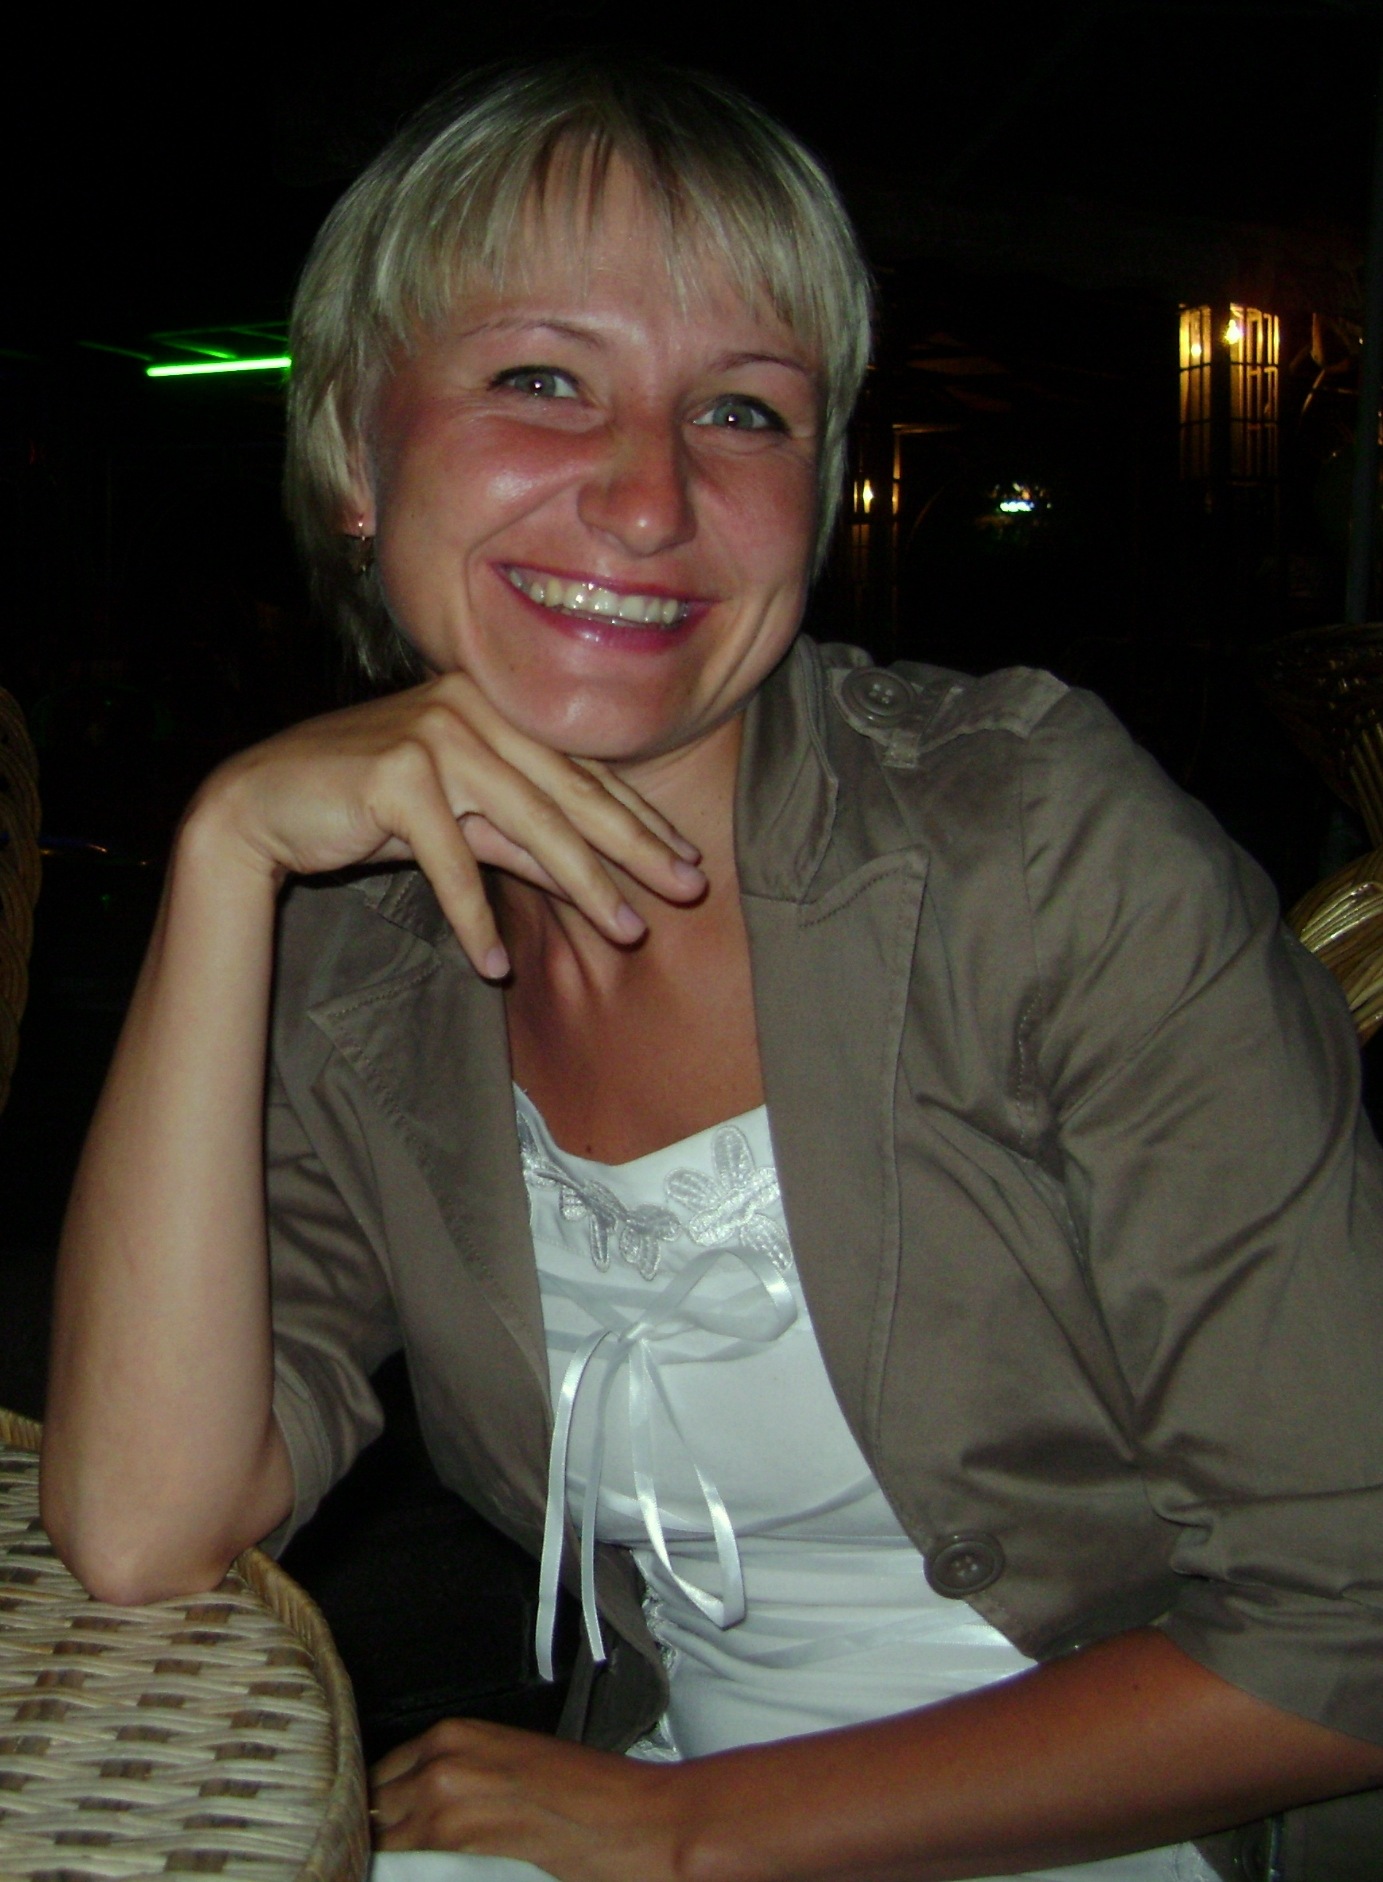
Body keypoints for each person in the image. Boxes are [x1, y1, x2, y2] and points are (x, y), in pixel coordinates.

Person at [40, 55, 1383, 1882]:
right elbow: (141, 1526)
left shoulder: (1031, 847)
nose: (650, 497)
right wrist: (225, 860)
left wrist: (685, 1830)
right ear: (356, 450)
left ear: (814, 494)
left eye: (743, 410)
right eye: (543, 379)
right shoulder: (362, 952)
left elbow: (1350, 1631)